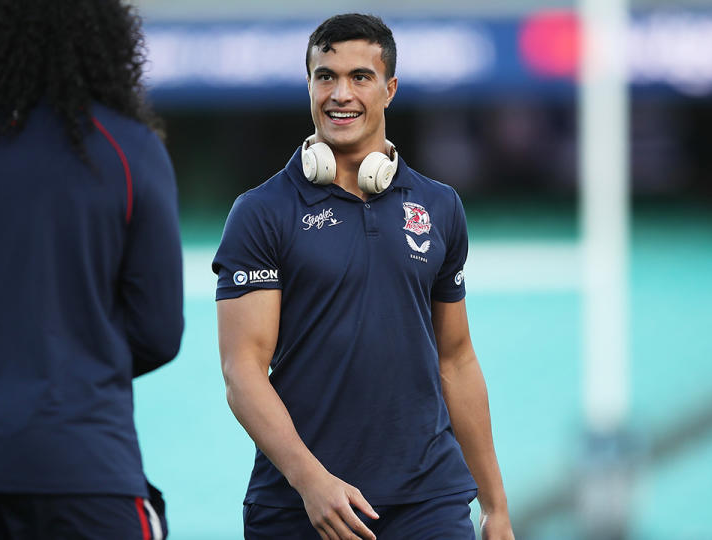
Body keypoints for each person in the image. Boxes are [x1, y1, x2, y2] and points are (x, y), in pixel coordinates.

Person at [0, 1, 182, 538]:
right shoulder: (130, 152)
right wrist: (77, 362)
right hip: (82, 466)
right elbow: (159, 333)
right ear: (103, 37)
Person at [213, 13, 513, 540]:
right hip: (298, 508)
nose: (339, 94)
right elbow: (243, 371)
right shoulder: (261, 212)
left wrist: (496, 507)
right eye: (325, 76)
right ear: (308, 85)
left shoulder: (439, 206)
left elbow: (457, 359)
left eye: (360, 77)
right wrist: (312, 482)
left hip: (429, 503)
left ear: (389, 89)